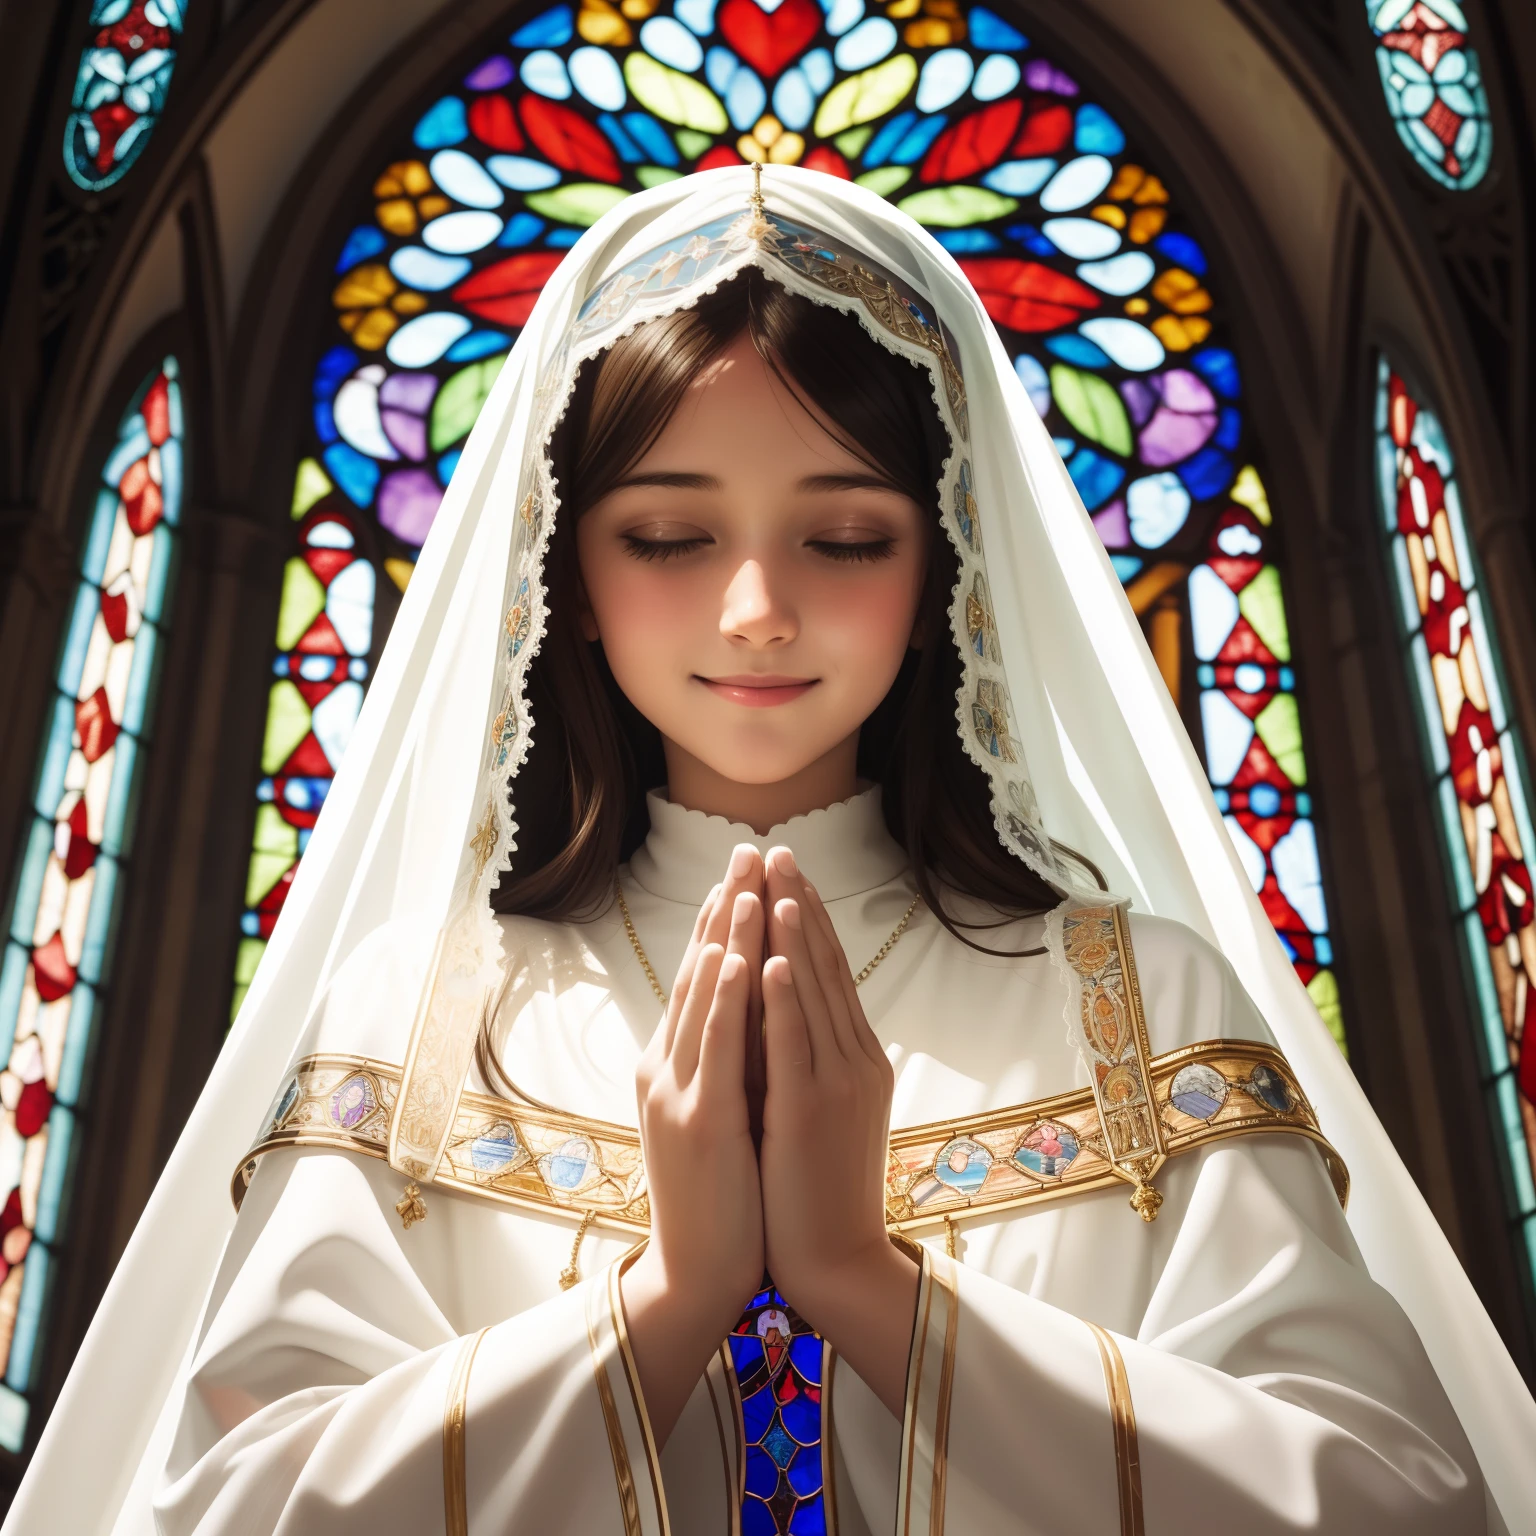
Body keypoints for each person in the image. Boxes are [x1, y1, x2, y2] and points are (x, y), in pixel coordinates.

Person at [8, 166, 1534, 1536]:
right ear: (568, 571)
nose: (755, 611)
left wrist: (874, 1291)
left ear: (947, 562)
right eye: (669, 536)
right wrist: (660, 1307)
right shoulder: (414, 1017)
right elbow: (224, 1511)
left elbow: (1393, 1500)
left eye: (846, 536)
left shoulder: (1144, 1008)